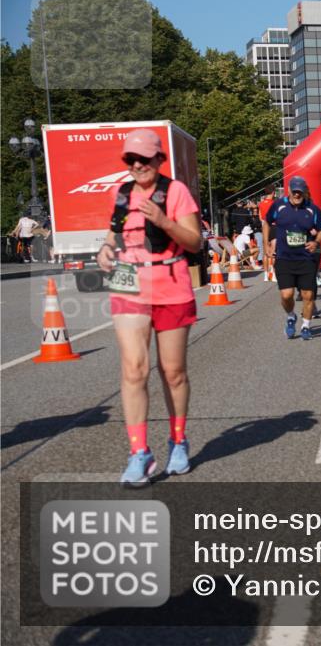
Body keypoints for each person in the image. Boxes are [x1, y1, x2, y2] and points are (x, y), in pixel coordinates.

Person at [95, 128, 204, 487]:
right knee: (133, 370)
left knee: (172, 372)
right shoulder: (122, 193)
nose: (137, 165)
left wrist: (162, 220)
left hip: (170, 283)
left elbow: (194, 242)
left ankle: (178, 441)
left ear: (159, 159)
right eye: (130, 159)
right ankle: (139, 452)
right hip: (129, 284)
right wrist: (105, 250)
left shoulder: (175, 191)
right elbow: (114, 234)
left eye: (144, 158)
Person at [262, 176, 321, 340]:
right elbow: (266, 222)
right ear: (289, 190)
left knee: (308, 295)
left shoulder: (312, 209)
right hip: (284, 258)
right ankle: (291, 316)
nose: (297, 195)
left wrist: (316, 242)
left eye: (300, 192)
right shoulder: (278, 206)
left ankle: (306, 326)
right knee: (286, 295)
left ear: (304, 192)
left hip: (306, 258)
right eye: (295, 191)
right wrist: (266, 244)